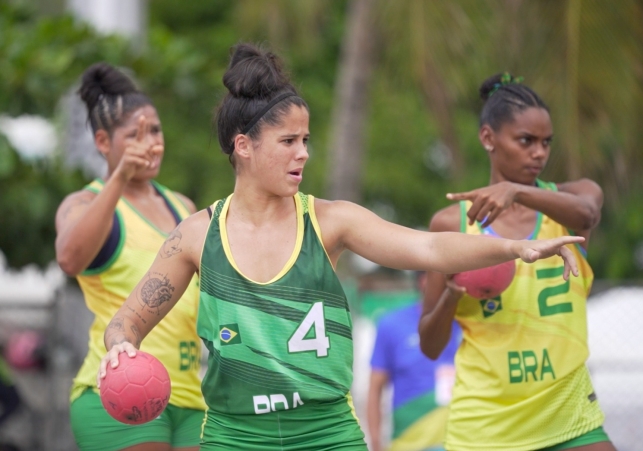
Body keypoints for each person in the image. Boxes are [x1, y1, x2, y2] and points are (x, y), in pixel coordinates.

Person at [97, 45, 584, 451]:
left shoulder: (331, 222)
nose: (303, 152)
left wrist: (517, 249)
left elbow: (430, 248)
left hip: (327, 433)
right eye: (288, 141)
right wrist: (120, 347)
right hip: (234, 435)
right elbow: (126, 322)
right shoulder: (197, 235)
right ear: (243, 146)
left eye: (306, 139)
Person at [418, 73, 613, 451]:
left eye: (545, 143)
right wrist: (452, 296)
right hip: (486, 426)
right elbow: (429, 344)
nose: (539, 152)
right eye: (526, 141)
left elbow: (589, 213)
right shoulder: (453, 224)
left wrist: (517, 193)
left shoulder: (574, 203)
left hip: (568, 415)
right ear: (489, 138)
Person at [55, 63, 206, 451]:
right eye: (134, 135)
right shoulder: (85, 202)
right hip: (119, 392)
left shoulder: (181, 206)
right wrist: (120, 176)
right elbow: (70, 259)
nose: (150, 143)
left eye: (155, 130)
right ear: (104, 142)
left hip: (190, 395)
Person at [367, 272, 460, 451]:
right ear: (423, 280)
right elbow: (375, 389)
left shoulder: (470, 322)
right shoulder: (391, 324)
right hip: (409, 442)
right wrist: (376, 442)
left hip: (462, 442)